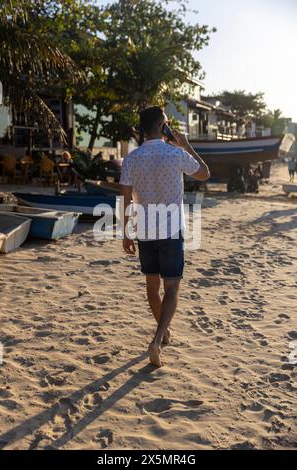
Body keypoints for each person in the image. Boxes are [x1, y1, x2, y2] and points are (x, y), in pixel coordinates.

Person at [119, 106, 210, 367]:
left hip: (145, 230)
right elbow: (205, 173)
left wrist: (126, 233)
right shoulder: (176, 154)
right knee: (171, 287)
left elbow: (126, 200)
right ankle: (158, 339)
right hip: (170, 230)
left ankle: (163, 333)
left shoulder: (131, 159)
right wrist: (186, 144)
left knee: (151, 287)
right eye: (167, 123)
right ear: (162, 127)